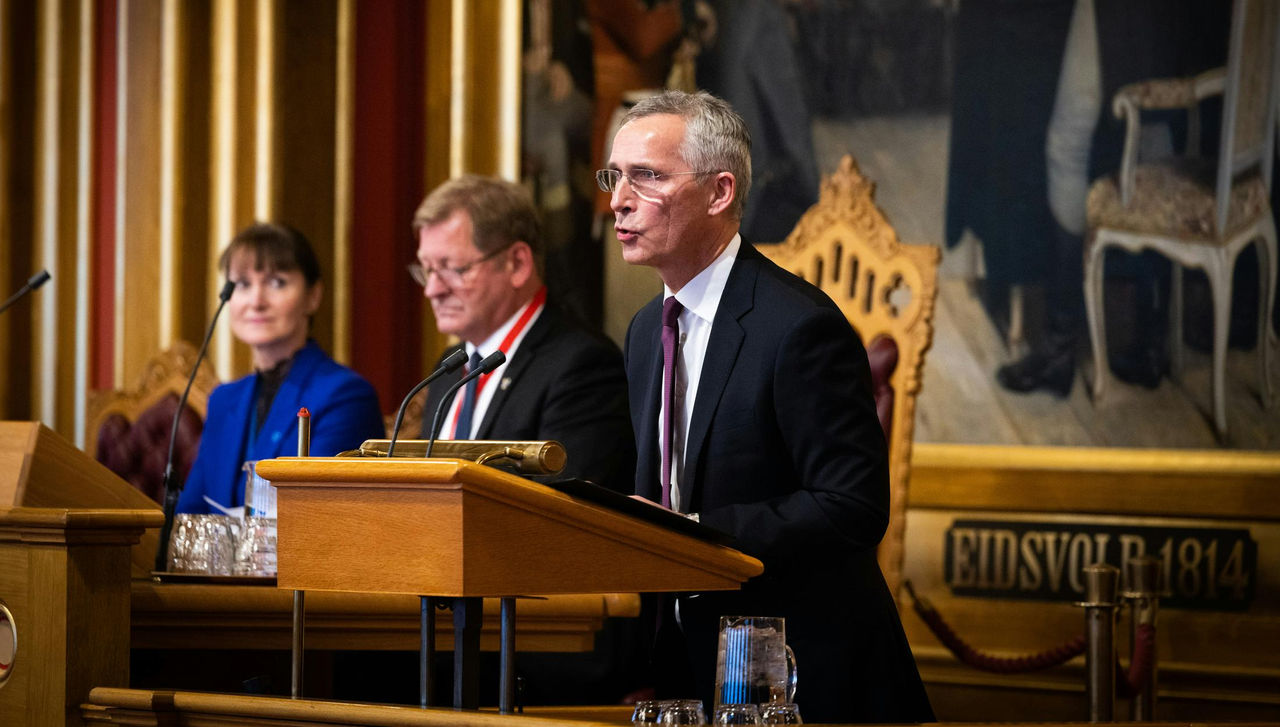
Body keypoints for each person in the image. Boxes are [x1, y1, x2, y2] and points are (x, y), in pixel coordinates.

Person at [605, 90, 933, 722]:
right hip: (684, 671)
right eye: (615, 176)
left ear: (719, 192)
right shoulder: (647, 329)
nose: (619, 199)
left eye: (646, 177)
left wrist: (693, 533)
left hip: (799, 680)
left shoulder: (798, 326)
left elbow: (853, 507)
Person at [413, 174, 635, 494]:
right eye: (427, 270)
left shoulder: (583, 367)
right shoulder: (450, 366)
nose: (432, 290)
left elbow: (563, 512)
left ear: (517, 264)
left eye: (453, 269)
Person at [177, 223, 385, 515]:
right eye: (242, 284)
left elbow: (317, 515)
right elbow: (190, 513)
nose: (256, 301)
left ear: (313, 296)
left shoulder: (345, 396)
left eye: (277, 282)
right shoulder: (224, 400)